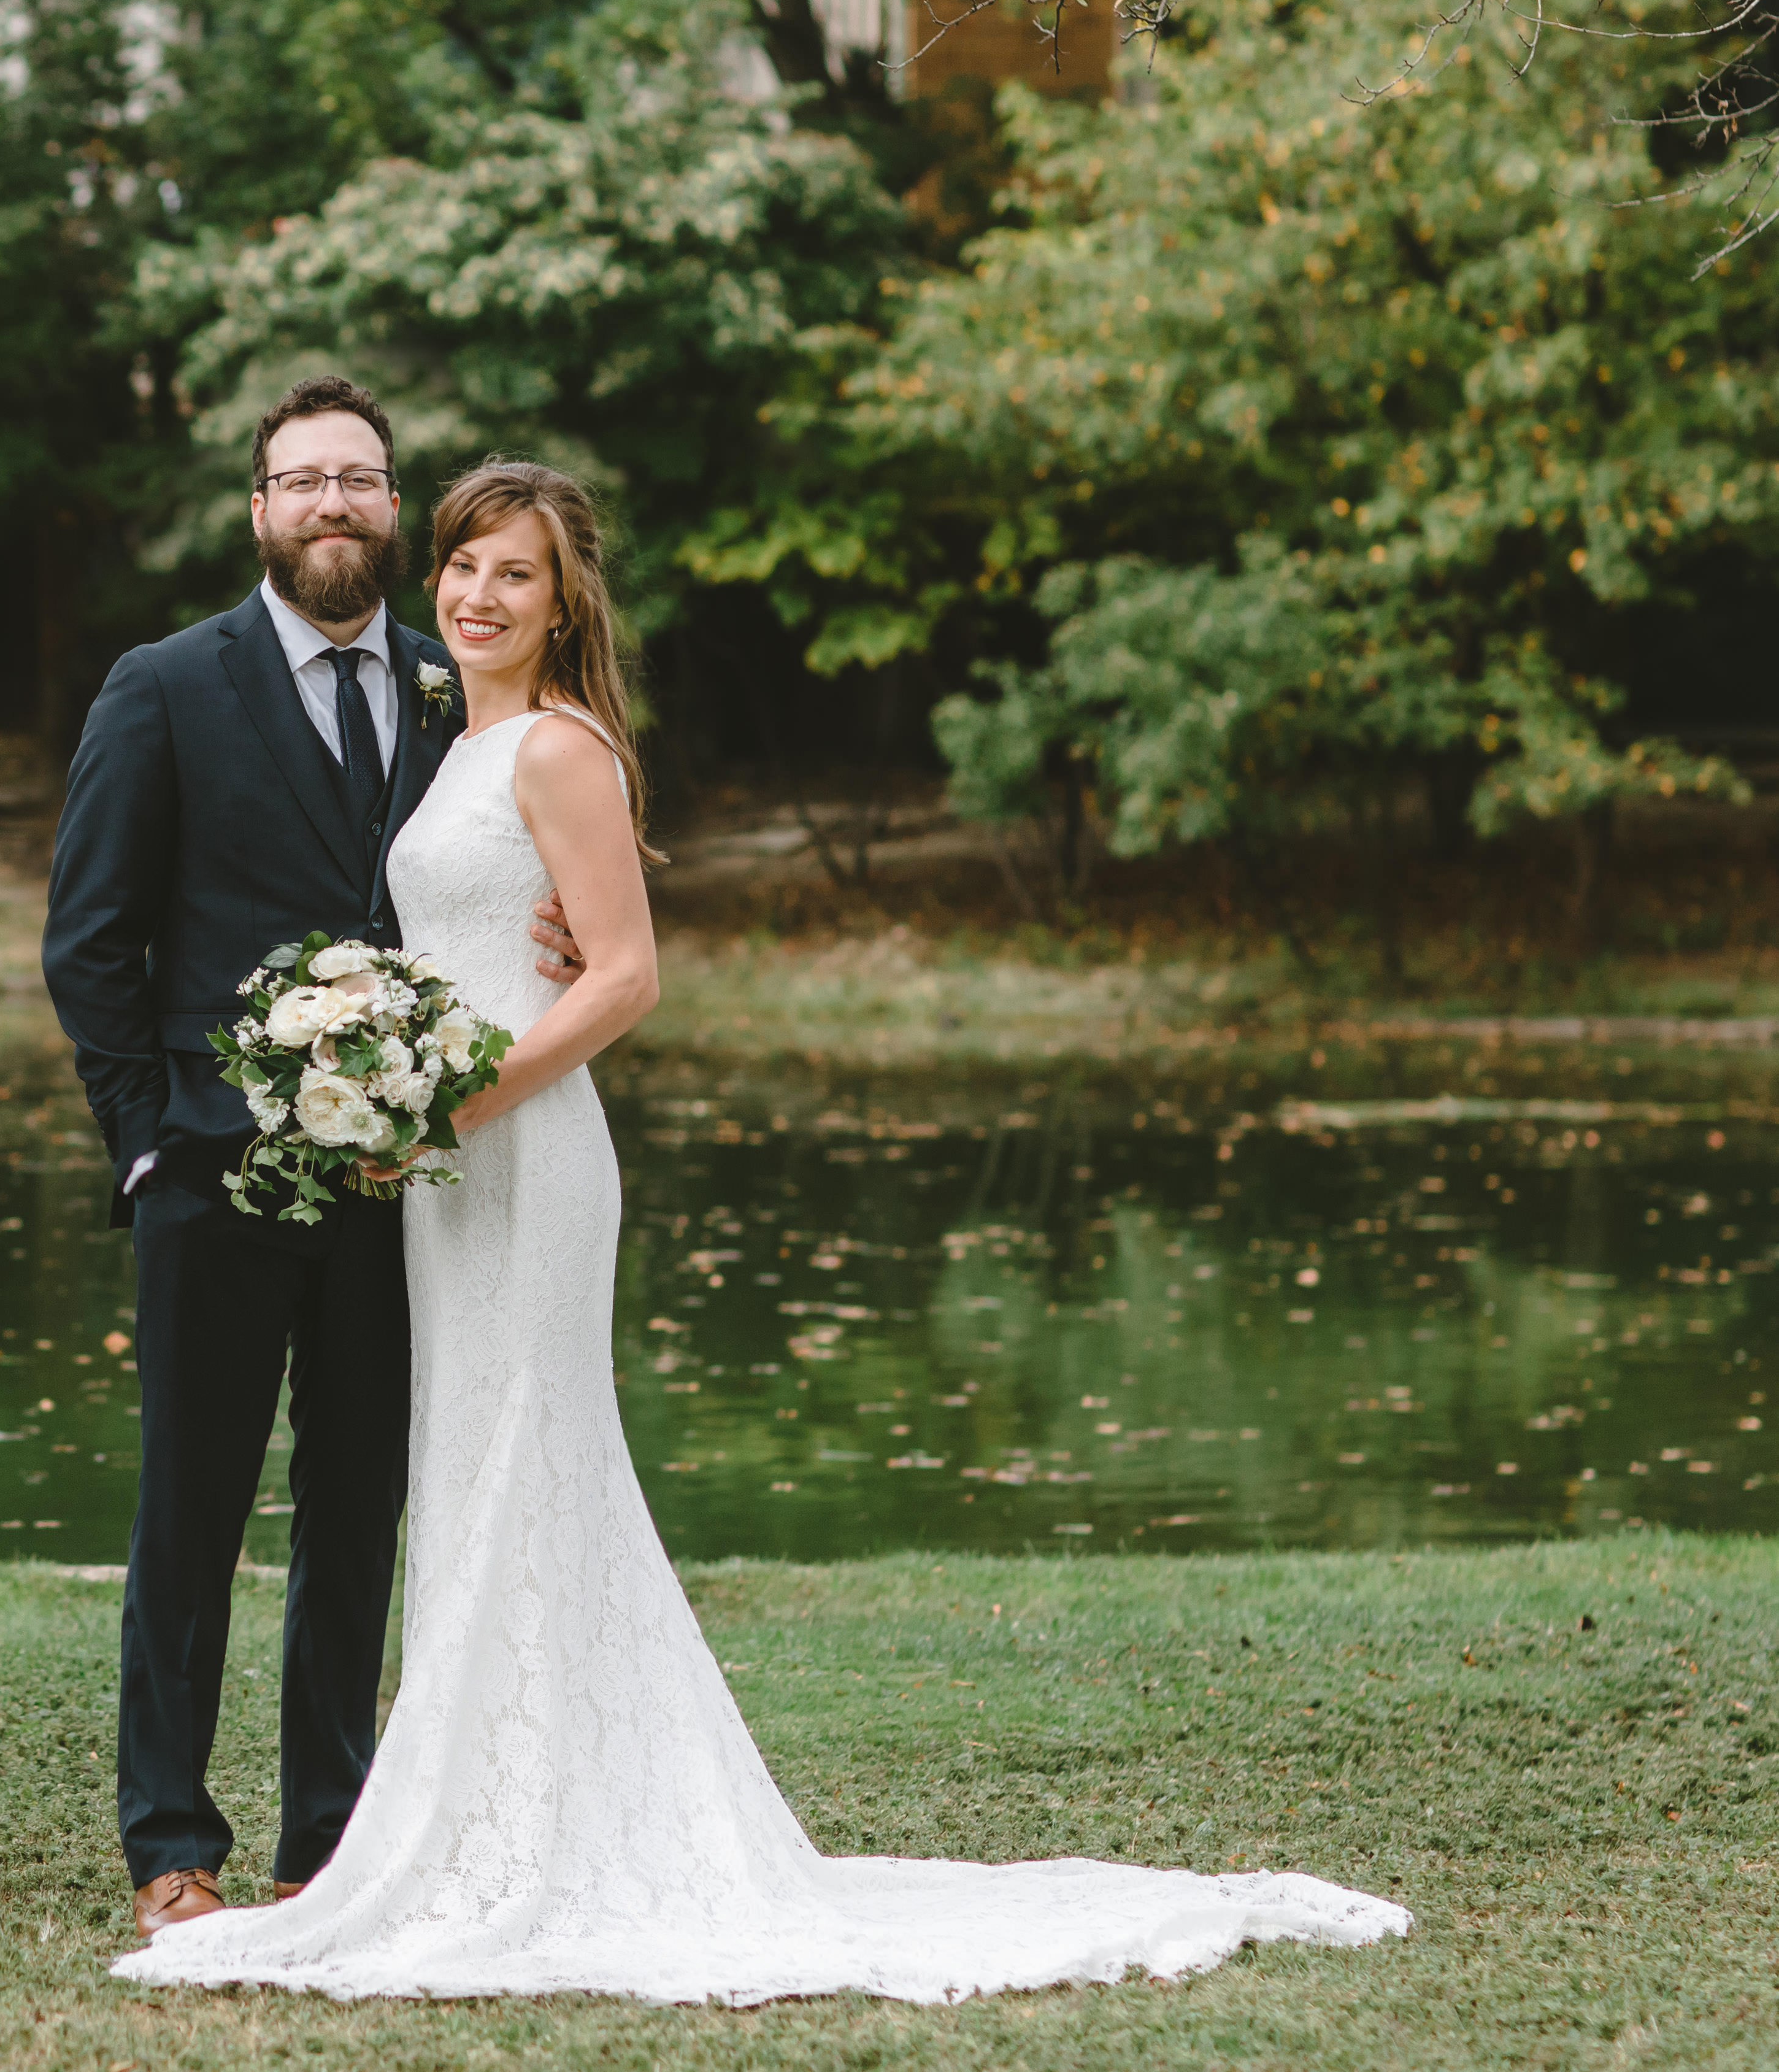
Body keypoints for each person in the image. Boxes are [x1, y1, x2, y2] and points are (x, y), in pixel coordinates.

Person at [112, 459, 1413, 2005]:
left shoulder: (561, 747)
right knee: (471, 1470)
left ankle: (545, 1826)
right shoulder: (452, 731)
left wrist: (452, 1099)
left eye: (512, 574)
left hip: (521, 1157)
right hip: (446, 1174)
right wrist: (384, 1080)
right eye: (460, 566)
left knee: (535, 1455)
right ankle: (479, 1812)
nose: (474, 595)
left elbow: (626, 976)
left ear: (562, 598)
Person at [43, 377, 572, 1944]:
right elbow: (91, 947)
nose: (332, 503)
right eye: (302, 482)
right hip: (212, 1182)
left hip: (401, 1191)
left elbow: (514, 860)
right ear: (259, 512)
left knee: (357, 1515)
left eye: (360, 480)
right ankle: (169, 1843)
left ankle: (328, 1840)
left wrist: (544, 941)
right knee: (188, 1520)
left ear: (393, 514)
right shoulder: (161, 687)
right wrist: (147, 1146)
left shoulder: (448, 689)